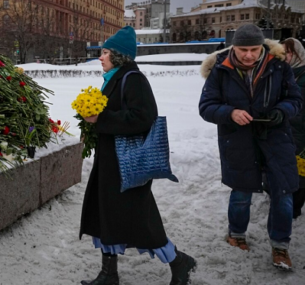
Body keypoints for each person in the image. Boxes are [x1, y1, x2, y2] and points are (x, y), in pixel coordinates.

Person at [80, 26, 196, 285]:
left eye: (105, 52)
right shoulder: (115, 78)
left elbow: (143, 118)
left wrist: (101, 119)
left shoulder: (133, 79)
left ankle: (179, 262)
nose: (100, 57)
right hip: (111, 162)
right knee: (105, 217)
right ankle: (109, 274)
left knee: (140, 222)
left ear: (118, 56)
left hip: (127, 164)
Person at [199, 24, 302, 270]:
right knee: (241, 193)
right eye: (243, 49)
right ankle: (236, 234)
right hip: (237, 141)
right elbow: (206, 106)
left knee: (283, 194)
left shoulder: (279, 66)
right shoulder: (221, 70)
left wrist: (282, 111)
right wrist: (229, 112)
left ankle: (280, 246)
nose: (248, 55)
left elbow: (296, 99)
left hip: (277, 140)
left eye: (254, 49)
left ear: (262, 48)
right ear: (234, 47)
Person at [281, 37, 305, 218]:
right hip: (287, 128)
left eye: (288, 52)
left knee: (300, 171)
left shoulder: (301, 75)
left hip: (301, 131)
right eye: (284, 52)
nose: (286, 56)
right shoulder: (284, 73)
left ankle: (295, 207)